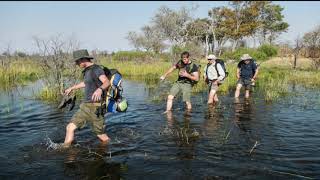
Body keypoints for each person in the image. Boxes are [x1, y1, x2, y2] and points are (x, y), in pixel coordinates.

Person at [61, 49, 111, 148]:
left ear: (83, 59)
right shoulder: (87, 71)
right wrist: (72, 88)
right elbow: (86, 83)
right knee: (70, 127)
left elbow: (106, 82)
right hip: (85, 106)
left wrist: (100, 89)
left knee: (101, 135)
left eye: (77, 61)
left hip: (96, 107)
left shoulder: (96, 69)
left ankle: (111, 150)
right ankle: (65, 150)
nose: (76, 63)